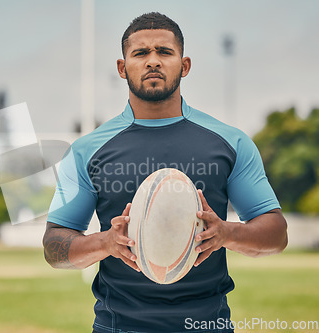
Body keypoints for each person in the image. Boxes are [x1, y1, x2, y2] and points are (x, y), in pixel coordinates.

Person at [43, 12, 288, 333]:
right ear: (122, 67)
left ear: (184, 65)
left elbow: (277, 234)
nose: (152, 61)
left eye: (164, 52)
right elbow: (53, 246)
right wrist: (106, 243)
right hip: (118, 326)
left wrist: (227, 234)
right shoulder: (87, 150)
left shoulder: (230, 142)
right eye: (141, 53)